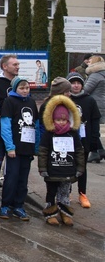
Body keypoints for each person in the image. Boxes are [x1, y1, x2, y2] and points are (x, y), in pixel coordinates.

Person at [38, 95, 85, 226]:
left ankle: (65, 213)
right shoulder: (49, 133)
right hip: (52, 170)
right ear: (53, 119)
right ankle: (50, 213)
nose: (61, 122)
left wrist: (80, 168)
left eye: (64, 120)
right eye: (58, 119)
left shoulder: (73, 133)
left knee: (65, 193)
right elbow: (43, 151)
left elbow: (79, 151)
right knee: (51, 192)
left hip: (68, 169)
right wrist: (42, 168)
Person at [0, 77, 39, 220]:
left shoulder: (32, 102)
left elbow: (37, 125)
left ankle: (18, 205)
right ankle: (5, 205)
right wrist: (10, 147)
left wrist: (36, 145)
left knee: (23, 179)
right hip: (14, 149)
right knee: (11, 177)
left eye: (27, 88)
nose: (25, 91)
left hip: (27, 148)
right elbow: (5, 125)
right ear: (16, 88)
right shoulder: (9, 102)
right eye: (22, 88)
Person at [68, 72, 101, 207]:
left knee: (82, 167)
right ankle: (66, 192)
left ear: (82, 85)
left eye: (78, 83)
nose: (76, 86)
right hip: (68, 139)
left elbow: (95, 120)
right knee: (67, 165)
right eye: (73, 83)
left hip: (84, 139)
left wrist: (94, 137)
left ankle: (82, 193)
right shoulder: (65, 99)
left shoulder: (89, 100)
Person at [83, 55, 105, 162]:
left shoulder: (95, 75)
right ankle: (99, 151)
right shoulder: (102, 74)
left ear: (95, 62)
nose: (88, 61)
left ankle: (96, 151)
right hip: (100, 103)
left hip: (93, 104)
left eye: (90, 60)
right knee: (93, 128)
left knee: (91, 129)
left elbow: (86, 90)